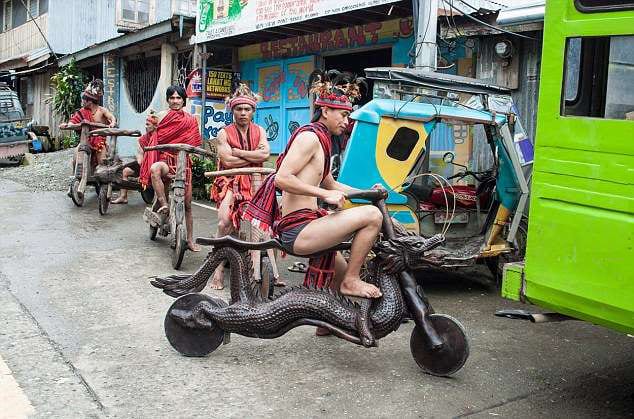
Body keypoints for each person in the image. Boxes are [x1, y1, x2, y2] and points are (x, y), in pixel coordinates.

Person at [242, 71, 383, 300]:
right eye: (344, 115)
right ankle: (352, 280)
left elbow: (332, 184)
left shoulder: (323, 141)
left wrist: (369, 193)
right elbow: (282, 178)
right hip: (298, 231)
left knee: (336, 282)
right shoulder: (309, 137)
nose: (347, 122)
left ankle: (325, 322)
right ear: (325, 111)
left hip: (311, 225)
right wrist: (325, 194)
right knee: (373, 216)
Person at [209, 83, 278, 290]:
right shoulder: (224, 133)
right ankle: (218, 269)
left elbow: (265, 155)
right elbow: (227, 162)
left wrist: (238, 152)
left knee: (267, 224)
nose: (243, 113)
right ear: (233, 111)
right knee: (224, 223)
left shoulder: (260, 130)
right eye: (239, 109)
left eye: (247, 109)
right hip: (230, 180)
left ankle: (271, 272)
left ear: (253, 111)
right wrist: (251, 157)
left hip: (256, 180)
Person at [138, 85, 202, 252]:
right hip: (166, 160)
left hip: (183, 164)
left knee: (187, 205)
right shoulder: (160, 117)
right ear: (168, 100)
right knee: (155, 169)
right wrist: (150, 128)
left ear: (183, 100)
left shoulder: (191, 119)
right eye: (172, 98)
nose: (175, 101)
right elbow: (150, 136)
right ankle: (164, 204)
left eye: (178, 98)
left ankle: (189, 240)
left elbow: (195, 141)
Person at [60, 79, 116, 170]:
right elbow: (73, 121)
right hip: (86, 140)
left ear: (90, 102)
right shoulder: (82, 111)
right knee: (77, 154)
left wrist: (113, 122)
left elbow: (112, 117)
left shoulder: (101, 110)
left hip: (100, 141)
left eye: (84, 100)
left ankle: (101, 176)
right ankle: (78, 175)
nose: (82, 103)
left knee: (102, 162)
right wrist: (66, 125)